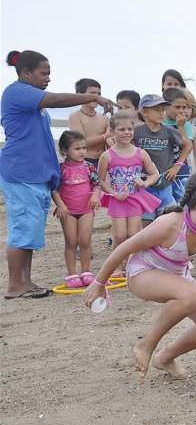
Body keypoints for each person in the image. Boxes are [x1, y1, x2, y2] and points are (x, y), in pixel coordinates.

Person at [82, 168, 196, 380]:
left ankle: (165, 358)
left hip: (178, 276)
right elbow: (124, 248)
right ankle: (146, 346)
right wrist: (99, 282)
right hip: (142, 273)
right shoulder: (171, 223)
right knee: (191, 294)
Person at [1, 50, 114, 299]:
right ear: (26, 73)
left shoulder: (31, 101)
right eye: (44, 73)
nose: (48, 78)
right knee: (22, 230)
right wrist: (93, 97)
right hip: (21, 173)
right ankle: (14, 286)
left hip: (35, 175)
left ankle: (25, 282)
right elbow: (54, 99)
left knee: (30, 232)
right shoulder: (17, 92)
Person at [98, 112, 162, 271]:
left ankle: (132, 266)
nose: (126, 132)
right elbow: (99, 180)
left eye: (129, 129)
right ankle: (115, 268)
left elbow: (155, 174)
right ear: (112, 131)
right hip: (117, 200)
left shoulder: (140, 153)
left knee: (133, 234)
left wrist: (145, 182)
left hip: (135, 199)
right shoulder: (107, 156)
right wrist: (113, 193)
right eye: (121, 129)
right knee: (119, 236)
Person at [52, 131, 101, 288]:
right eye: (77, 148)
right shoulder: (61, 169)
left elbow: (97, 184)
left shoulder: (89, 167)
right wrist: (60, 205)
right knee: (71, 242)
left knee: (85, 241)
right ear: (65, 151)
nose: (82, 152)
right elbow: (54, 189)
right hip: (68, 211)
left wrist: (95, 196)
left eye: (84, 148)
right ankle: (72, 273)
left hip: (86, 210)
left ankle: (86, 272)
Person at [133, 94, 189, 226]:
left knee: (170, 217)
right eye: (156, 109)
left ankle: (166, 246)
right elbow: (122, 144)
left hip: (165, 182)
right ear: (144, 112)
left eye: (163, 110)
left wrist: (177, 166)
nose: (161, 113)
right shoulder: (137, 131)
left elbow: (187, 145)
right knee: (147, 220)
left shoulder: (168, 131)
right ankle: (149, 246)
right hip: (144, 183)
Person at [162, 87, 196, 202]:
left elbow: (186, 146)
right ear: (166, 107)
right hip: (163, 171)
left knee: (183, 202)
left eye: (184, 107)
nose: (182, 111)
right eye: (177, 107)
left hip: (181, 171)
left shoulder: (185, 125)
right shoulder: (160, 124)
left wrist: (181, 127)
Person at [68, 78, 110, 167]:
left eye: (99, 94)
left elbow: (111, 142)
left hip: (102, 160)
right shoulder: (75, 117)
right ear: (80, 95)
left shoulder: (105, 118)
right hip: (84, 161)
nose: (97, 97)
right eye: (92, 93)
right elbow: (82, 142)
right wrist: (105, 136)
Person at [182, 89, 196, 170]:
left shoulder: (195, 130)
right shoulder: (167, 128)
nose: (186, 111)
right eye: (183, 107)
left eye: (189, 107)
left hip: (190, 168)